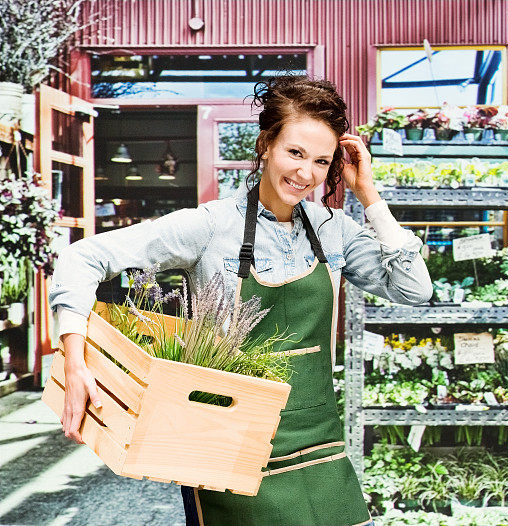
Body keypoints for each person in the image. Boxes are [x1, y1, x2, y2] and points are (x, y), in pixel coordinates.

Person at [49, 75, 433, 526]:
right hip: (227, 448)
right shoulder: (212, 226)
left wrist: (368, 194)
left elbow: (415, 289)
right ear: (266, 144)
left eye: (321, 161)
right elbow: (83, 257)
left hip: (320, 445)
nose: (305, 173)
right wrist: (75, 364)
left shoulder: (334, 230)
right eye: (295, 152)